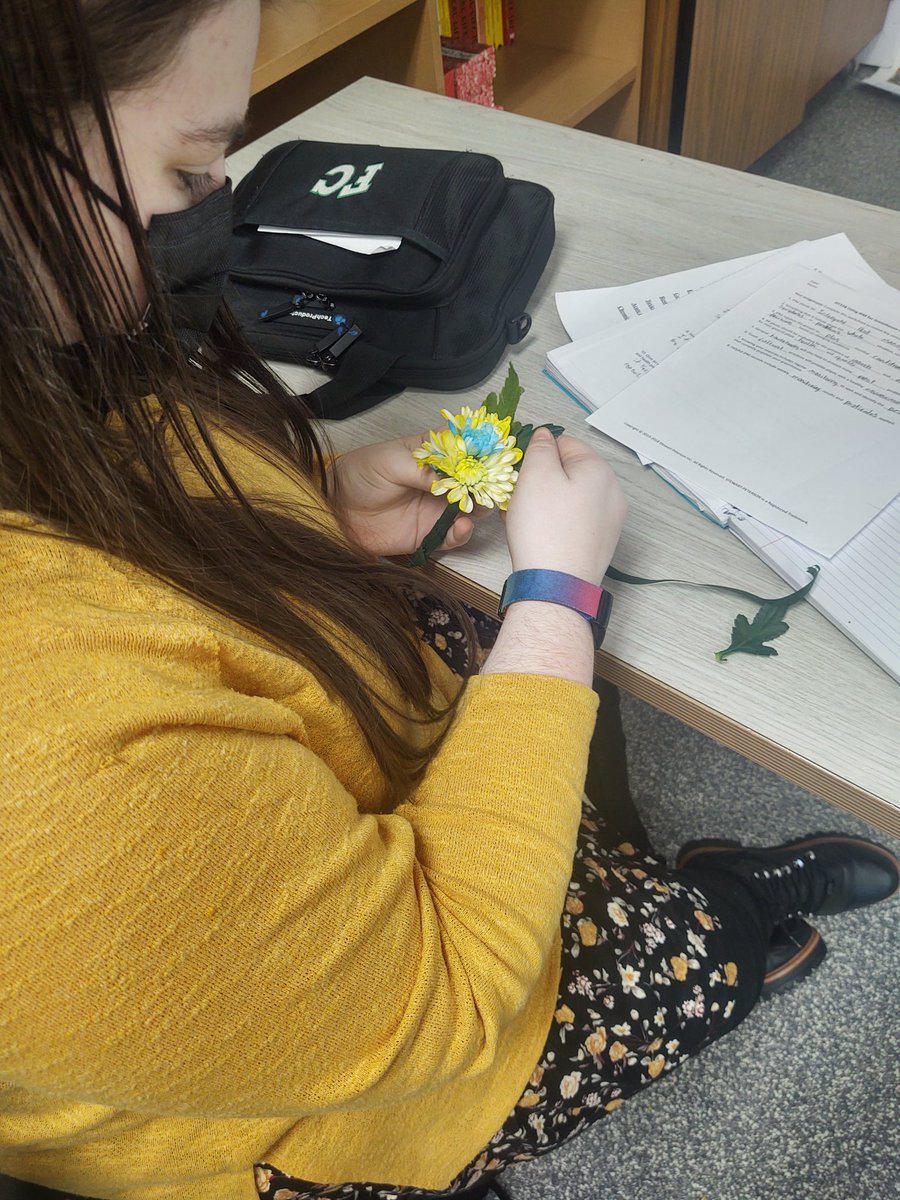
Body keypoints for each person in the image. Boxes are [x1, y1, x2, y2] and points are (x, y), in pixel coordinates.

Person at [0, 3, 896, 1200]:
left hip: (331, 807)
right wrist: (556, 602)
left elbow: (115, 512)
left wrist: (308, 505)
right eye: (190, 167)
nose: (219, 204)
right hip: (358, 1073)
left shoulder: (41, 375)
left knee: (545, 766)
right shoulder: (47, 783)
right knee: (666, 957)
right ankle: (732, 916)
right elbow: (450, 1001)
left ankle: (647, 876)